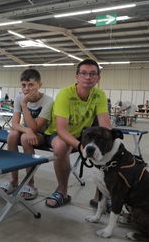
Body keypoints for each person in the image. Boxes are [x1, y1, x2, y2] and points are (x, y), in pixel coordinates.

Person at [43, 59, 111, 208]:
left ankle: (100, 197)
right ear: (77, 76)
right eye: (84, 73)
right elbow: (61, 130)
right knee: (61, 147)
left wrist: (109, 145)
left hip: (81, 134)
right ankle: (62, 192)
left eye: (93, 74)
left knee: (108, 148)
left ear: (98, 78)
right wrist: (80, 146)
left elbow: (106, 126)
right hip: (57, 134)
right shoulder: (65, 95)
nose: (88, 77)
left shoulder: (99, 95)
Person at [0, 69, 52, 200]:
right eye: (24, 85)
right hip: (28, 131)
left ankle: (30, 184)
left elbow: (35, 127)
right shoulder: (18, 97)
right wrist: (27, 130)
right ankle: (14, 181)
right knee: (12, 135)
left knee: (24, 138)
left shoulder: (48, 101)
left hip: (42, 134)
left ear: (40, 85)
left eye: (31, 85)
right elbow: (15, 124)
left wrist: (24, 105)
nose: (27, 89)